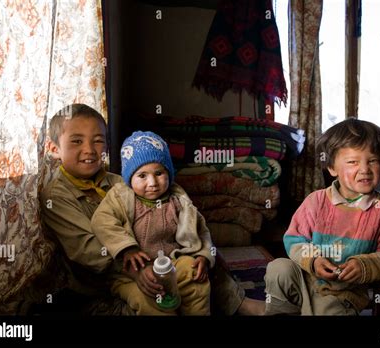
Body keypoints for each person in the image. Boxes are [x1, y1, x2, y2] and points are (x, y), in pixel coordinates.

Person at [40, 104, 264, 315]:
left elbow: (176, 214)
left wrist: (193, 252)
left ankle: (236, 302)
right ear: (54, 149)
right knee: (152, 302)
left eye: (98, 141)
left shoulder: (120, 181)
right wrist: (137, 269)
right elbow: (89, 251)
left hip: (159, 260)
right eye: (76, 141)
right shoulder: (56, 196)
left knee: (198, 259)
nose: (89, 149)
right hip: (104, 281)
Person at [264, 118, 380, 315]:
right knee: (278, 268)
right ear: (332, 168)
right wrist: (313, 260)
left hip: (345, 294)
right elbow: (295, 240)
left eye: (373, 160)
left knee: (327, 310)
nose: (364, 169)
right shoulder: (316, 201)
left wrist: (364, 265)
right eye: (352, 162)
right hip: (306, 281)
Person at [91, 131, 215, 315]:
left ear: (168, 172)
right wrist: (127, 249)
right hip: (131, 275)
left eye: (159, 173)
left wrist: (203, 255)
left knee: (195, 278)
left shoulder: (178, 199)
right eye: (142, 175)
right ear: (129, 178)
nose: (152, 182)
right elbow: (101, 222)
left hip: (172, 263)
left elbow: (200, 230)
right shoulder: (120, 196)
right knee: (149, 302)